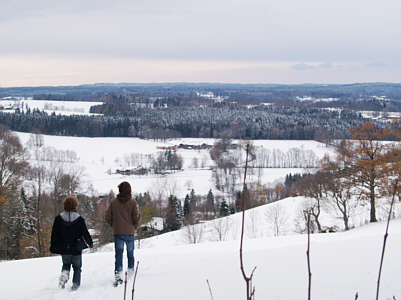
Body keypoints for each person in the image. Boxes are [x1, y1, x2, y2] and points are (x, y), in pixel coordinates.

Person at [50, 196, 93, 291]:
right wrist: (90, 243)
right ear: (75, 206)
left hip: (64, 248)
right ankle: (75, 286)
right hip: (76, 248)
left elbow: (54, 235)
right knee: (77, 267)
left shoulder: (58, 219)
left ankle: (64, 276)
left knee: (66, 265)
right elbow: (85, 233)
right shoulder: (80, 219)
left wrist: (53, 248)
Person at [105, 181, 141, 285]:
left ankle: (118, 274)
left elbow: (107, 217)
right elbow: (137, 217)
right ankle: (130, 271)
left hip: (118, 232)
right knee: (130, 253)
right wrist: (134, 227)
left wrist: (114, 225)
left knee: (118, 254)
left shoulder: (113, 202)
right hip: (130, 232)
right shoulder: (133, 203)